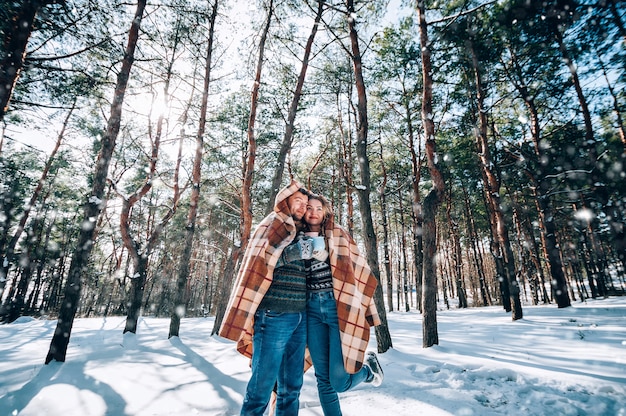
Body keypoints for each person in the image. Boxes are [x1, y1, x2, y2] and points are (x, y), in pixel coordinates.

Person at [219, 180, 325, 416]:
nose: (302, 206)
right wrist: (294, 252)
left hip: (299, 316)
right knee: (261, 387)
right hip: (274, 315)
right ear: (285, 200)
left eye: (305, 203)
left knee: (291, 388)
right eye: (298, 201)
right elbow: (261, 261)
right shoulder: (273, 223)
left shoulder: (300, 230)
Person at [303, 193, 384, 416]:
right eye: (309, 208)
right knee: (323, 379)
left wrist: (327, 255)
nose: (314, 212)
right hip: (311, 310)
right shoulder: (296, 236)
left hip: (336, 307)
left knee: (338, 381)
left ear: (326, 211)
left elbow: (356, 269)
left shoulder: (337, 234)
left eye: (319, 208)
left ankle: (367, 370)